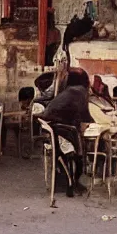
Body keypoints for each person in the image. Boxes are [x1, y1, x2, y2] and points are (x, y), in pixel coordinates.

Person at [37, 68, 95, 197]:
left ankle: (71, 182)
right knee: (80, 151)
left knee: (71, 149)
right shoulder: (80, 91)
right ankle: (75, 183)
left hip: (51, 126)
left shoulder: (68, 91)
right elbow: (84, 114)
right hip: (63, 128)